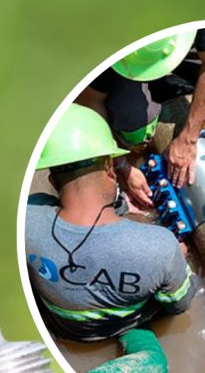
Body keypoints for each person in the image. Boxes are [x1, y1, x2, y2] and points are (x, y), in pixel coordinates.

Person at [26, 104, 195, 343]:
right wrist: (178, 257)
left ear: (52, 180)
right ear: (110, 168)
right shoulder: (160, 247)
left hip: (61, 327)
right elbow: (180, 305)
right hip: (126, 326)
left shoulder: (27, 216)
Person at [75, 27, 205, 191]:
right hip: (127, 58)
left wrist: (189, 138)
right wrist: (121, 164)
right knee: (135, 128)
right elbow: (90, 101)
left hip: (180, 42)